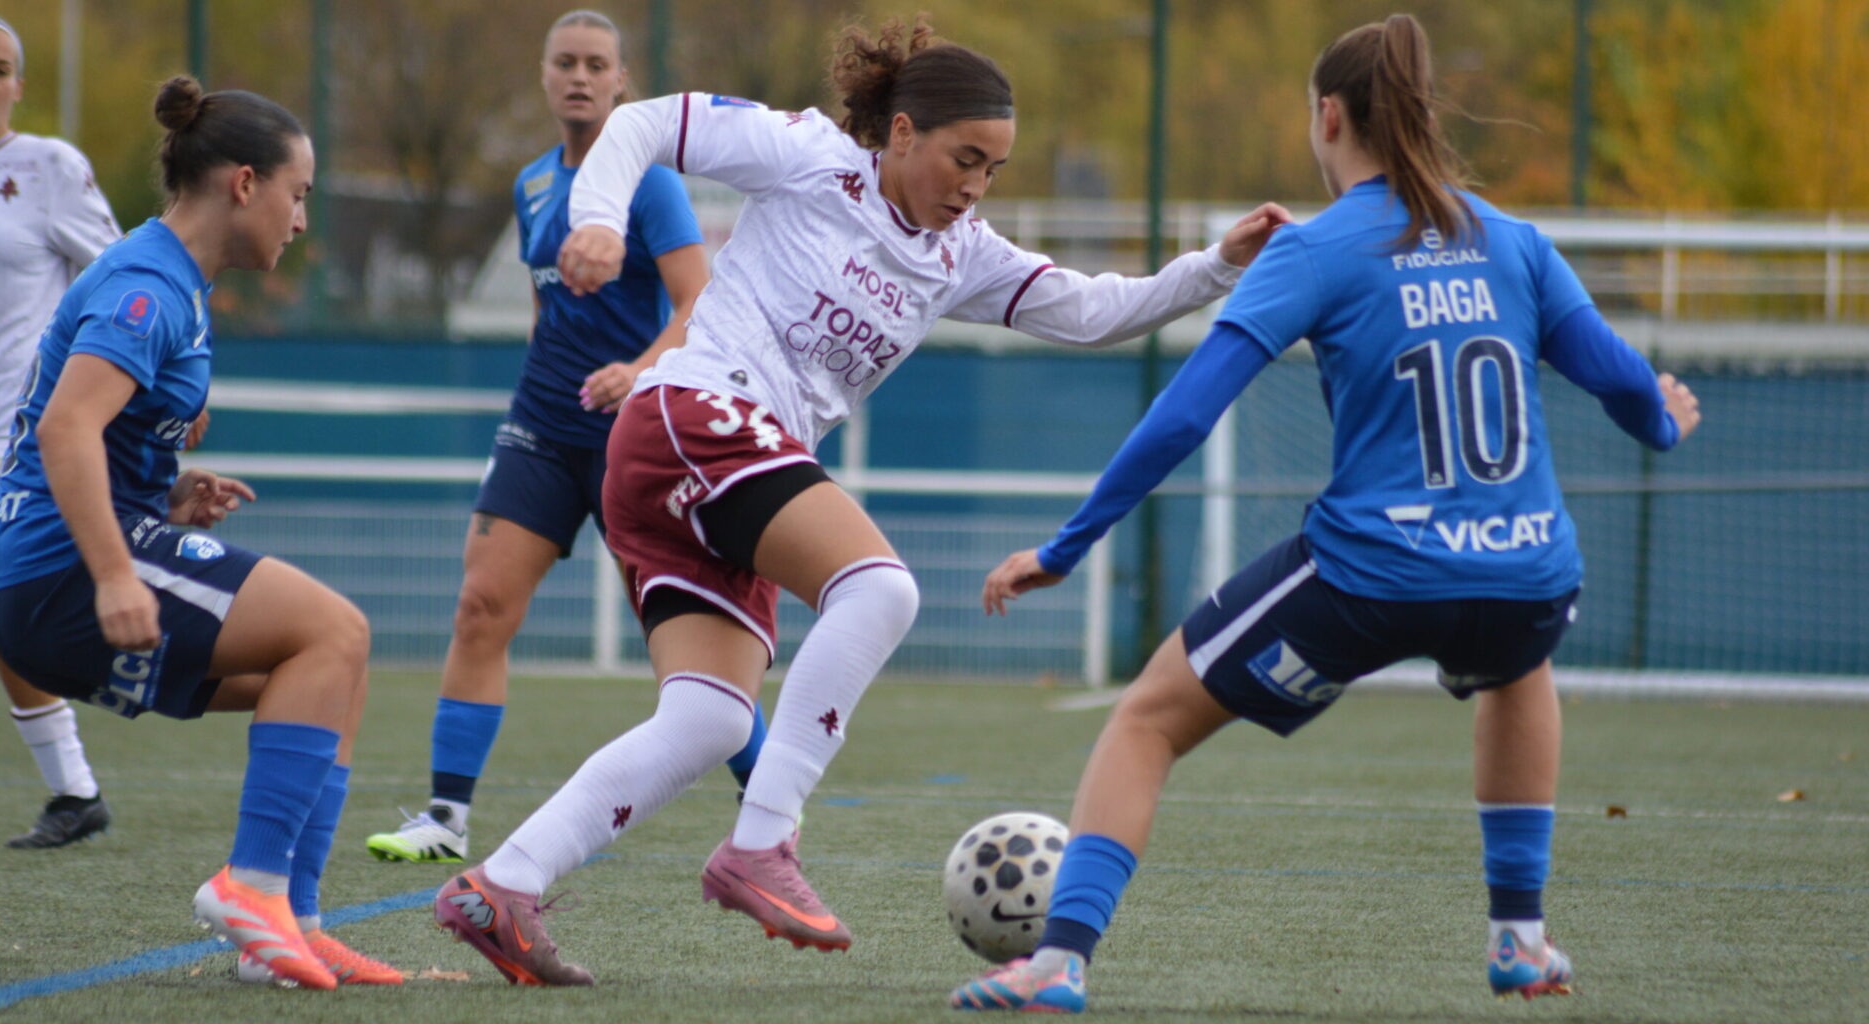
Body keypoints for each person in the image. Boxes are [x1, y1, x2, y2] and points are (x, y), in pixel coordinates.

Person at [430, 15, 1290, 986]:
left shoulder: (961, 252)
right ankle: (761, 845)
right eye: (965, 158)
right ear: (903, 131)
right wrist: (596, 213)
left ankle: (502, 883)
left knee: (711, 718)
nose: (975, 186)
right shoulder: (809, 157)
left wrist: (1217, 264)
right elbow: (644, 127)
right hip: (692, 417)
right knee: (881, 589)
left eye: (995, 170)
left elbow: (1094, 311)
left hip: (710, 472)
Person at [948, 13, 1703, 1013]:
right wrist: (1663, 422)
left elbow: (1184, 414)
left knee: (1145, 722)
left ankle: (1059, 960)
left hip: (1371, 578)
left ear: (1329, 116)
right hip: (1529, 572)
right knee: (1518, 663)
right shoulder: (1516, 244)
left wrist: (1066, 545)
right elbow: (1624, 387)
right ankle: (1520, 936)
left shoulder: (1316, 251)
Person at [0, 75, 401, 990]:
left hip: (56, 574)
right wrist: (116, 573)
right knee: (336, 629)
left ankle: (289, 925)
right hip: (59, 577)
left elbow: (91, 435)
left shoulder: (174, 281)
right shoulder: (148, 287)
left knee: (331, 669)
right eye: (299, 194)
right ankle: (251, 891)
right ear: (243, 184)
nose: (301, 220)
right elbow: (63, 429)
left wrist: (166, 501)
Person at [364, 8, 764, 868]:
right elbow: (551, 307)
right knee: (480, 608)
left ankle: (770, 814)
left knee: (691, 647)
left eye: (596, 65)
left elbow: (699, 303)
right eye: (564, 63)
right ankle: (444, 817)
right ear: (545, 76)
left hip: (635, 439)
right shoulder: (534, 183)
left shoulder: (650, 182)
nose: (579, 77)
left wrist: (636, 369)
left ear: (622, 82)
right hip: (542, 426)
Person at [0, 13, 123, 849]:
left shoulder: (47, 168)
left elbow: (122, 272)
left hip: (2, 430)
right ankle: (75, 793)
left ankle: (76, 792)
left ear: (18, 85)